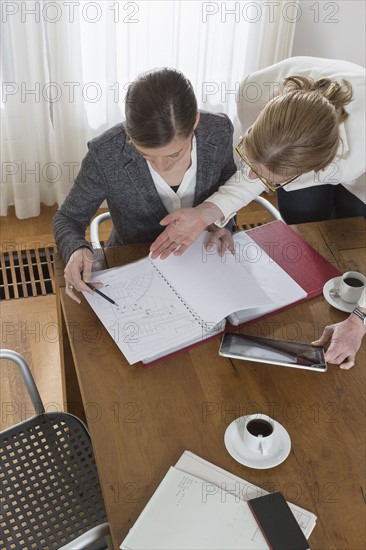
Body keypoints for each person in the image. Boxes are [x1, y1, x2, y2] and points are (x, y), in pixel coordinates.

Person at [149, 57, 365, 369]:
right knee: (307, 232)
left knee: (352, 235)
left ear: (313, 169)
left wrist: (358, 321)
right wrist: (205, 213)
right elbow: (254, 173)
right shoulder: (255, 92)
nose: (261, 180)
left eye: (273, 182)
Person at [52, 67, 238, 303]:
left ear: (195, 122)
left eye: (174, 154)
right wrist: (76, 248)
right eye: (146, 155)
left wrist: (225, 224)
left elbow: (228, 183)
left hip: (205, 258)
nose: (162, 167)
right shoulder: (106, 153)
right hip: (134, 264)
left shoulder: (219, 131)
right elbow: (67, 218)